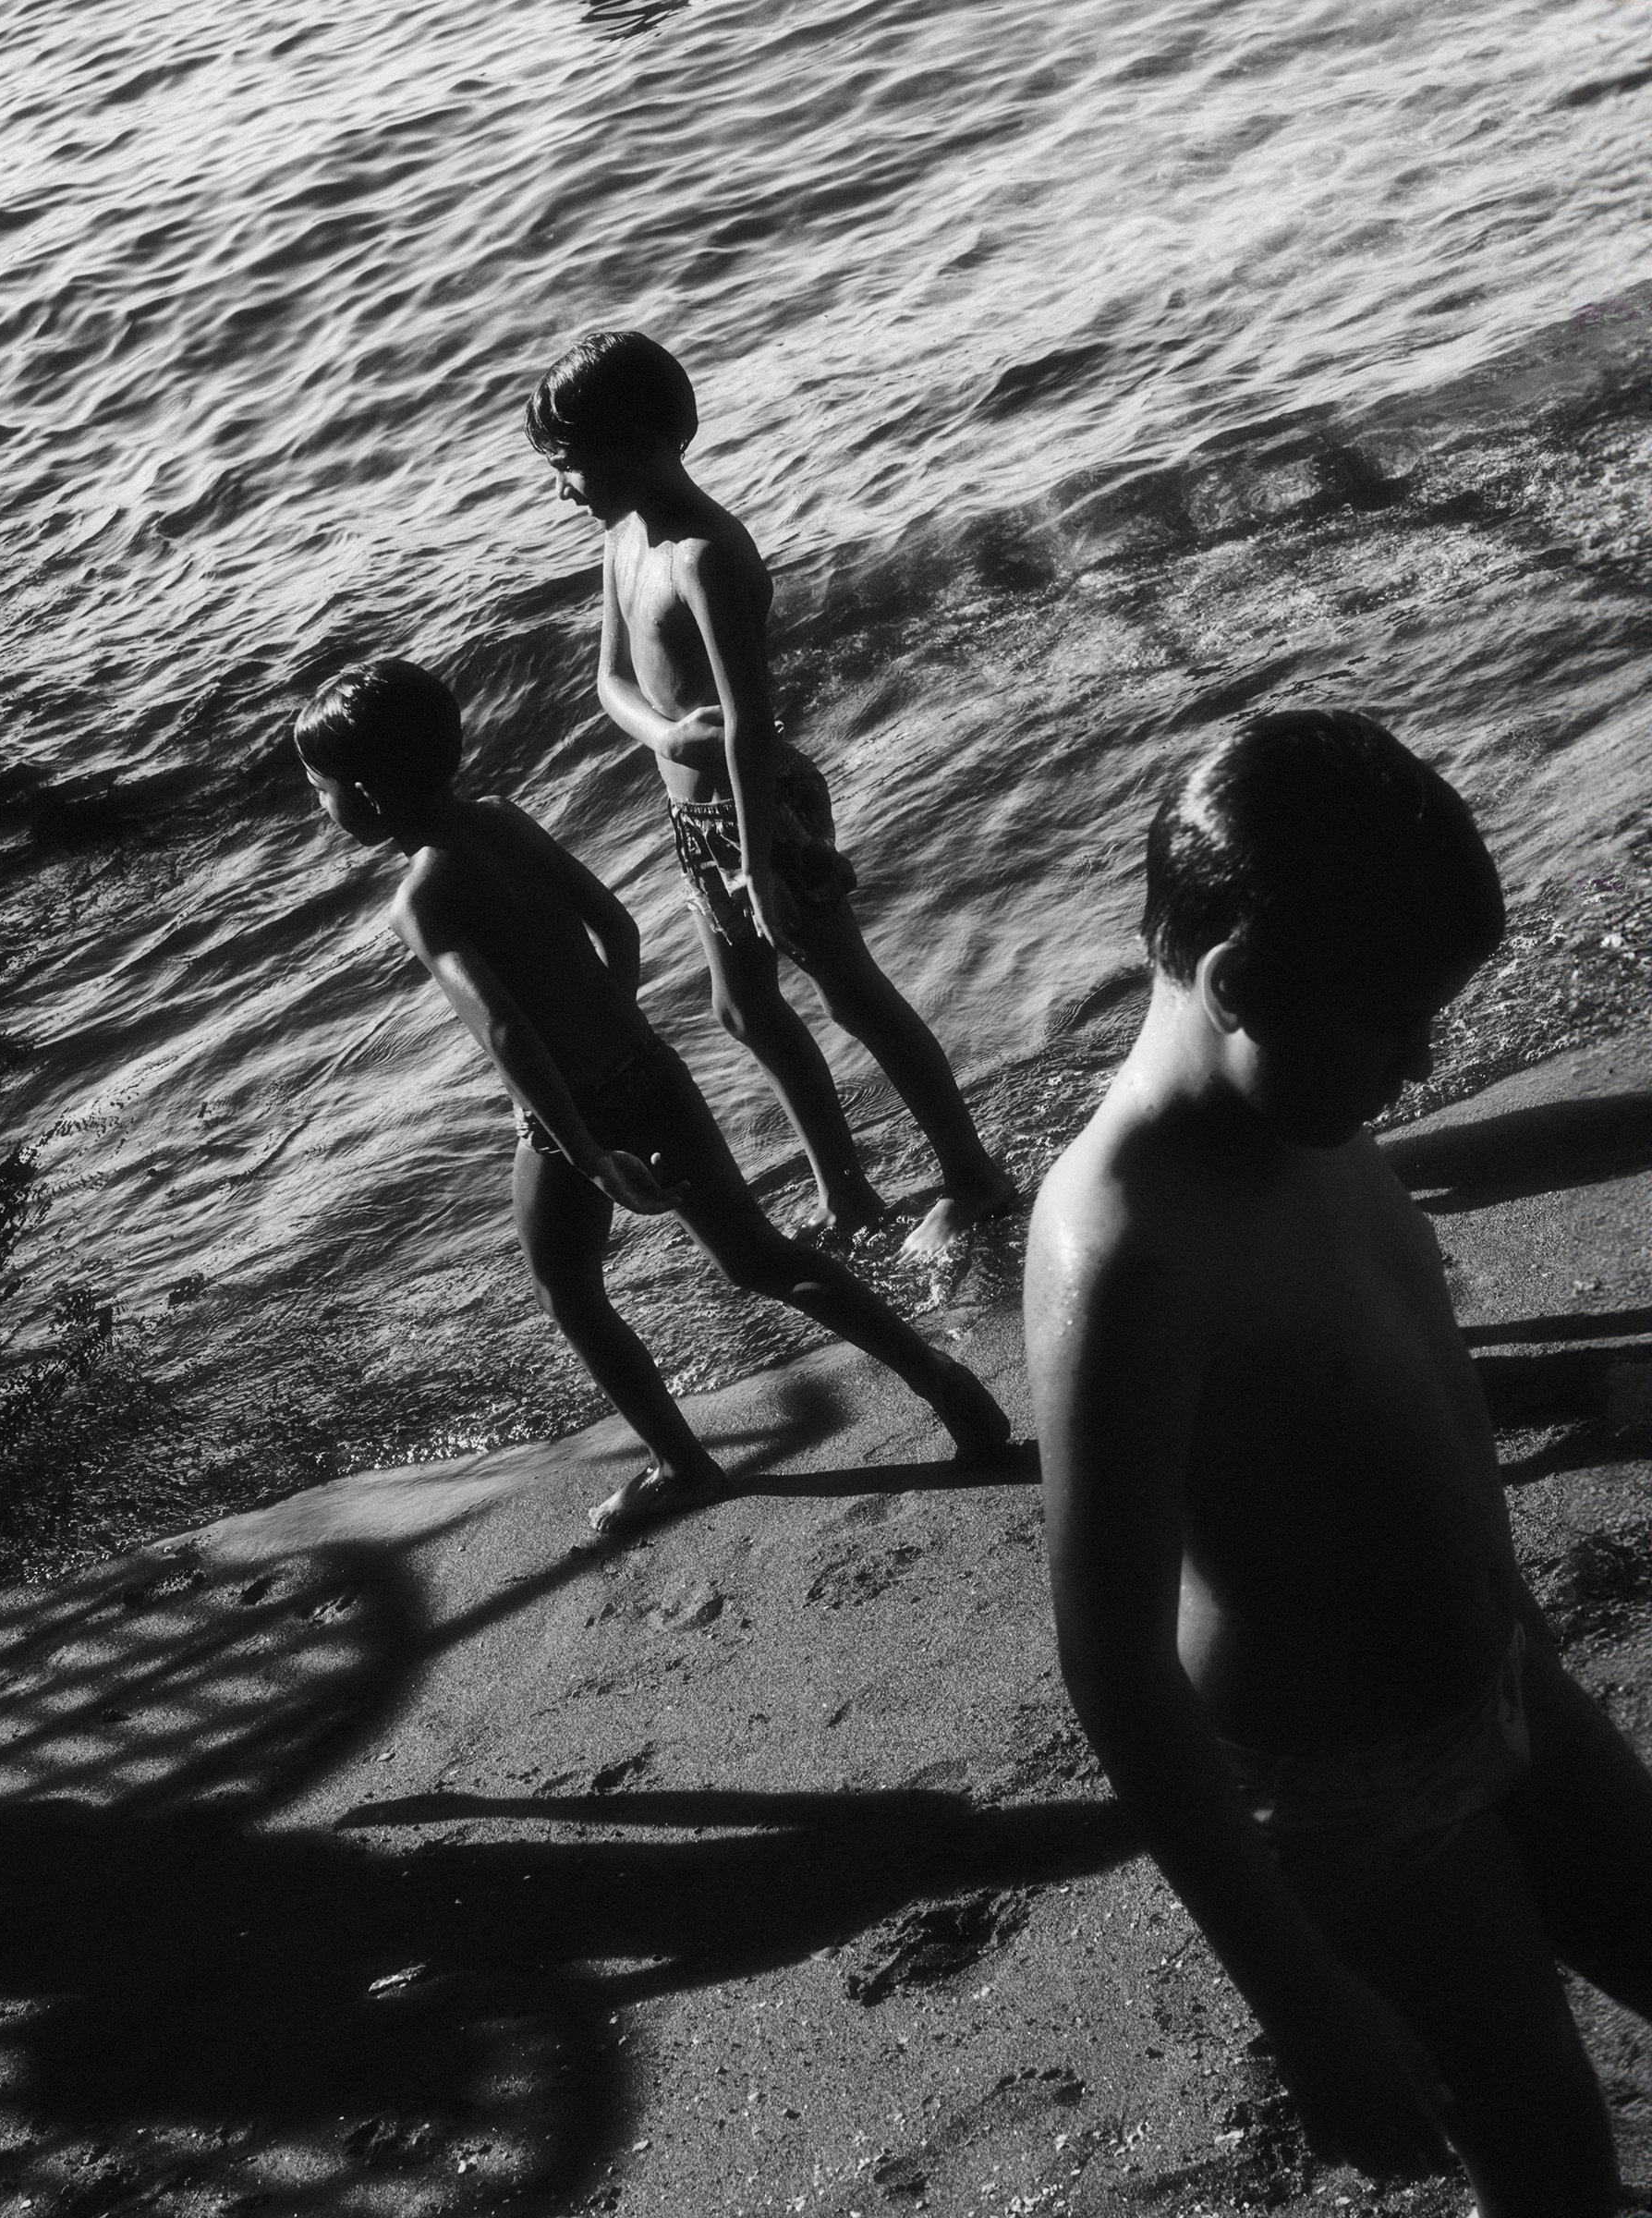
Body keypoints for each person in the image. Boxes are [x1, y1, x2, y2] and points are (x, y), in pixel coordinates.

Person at [1023, 709, 1652, 2212]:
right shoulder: (1130, 1251)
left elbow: (1384, 1391)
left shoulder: (1315, 1112)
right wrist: (1302, 1998)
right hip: (1359, 1797)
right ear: (1238, 984)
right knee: (1549, 2154)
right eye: (1391, 1024)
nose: (1422, 1064)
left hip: (1508, 1673)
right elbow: (1113, 1660)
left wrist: (1526, 1627)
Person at [294, 659, 1010, 1532]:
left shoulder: (421, 897)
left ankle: (682, 1466)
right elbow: (618, 926)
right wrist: (615, 1025)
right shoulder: (505, 817)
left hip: (570, 1115)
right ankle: (941, 1381)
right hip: (649, 1066)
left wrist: (589, 1151)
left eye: (320, 786)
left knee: (567, 1290)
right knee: (762, 1257)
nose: (319, 804)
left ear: (367, 794)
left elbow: (508, 1034)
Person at [523, 330, 1015, 1256]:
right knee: (742, 1009)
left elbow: (750, 724)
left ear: (638, 443)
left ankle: (973, 1176)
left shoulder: (707, 556)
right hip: (697, 813)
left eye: (567, 465)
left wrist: (758, 865)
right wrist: (666, 735)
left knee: (850, 993)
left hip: (764, 810)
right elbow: (609, 682)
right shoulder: (624, 542)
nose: (561, 490)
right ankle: (847, 1197)